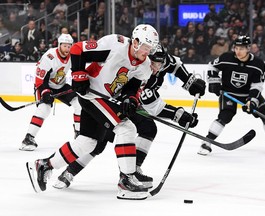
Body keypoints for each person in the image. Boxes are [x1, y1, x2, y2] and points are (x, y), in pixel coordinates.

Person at [26, 24, 160, 200]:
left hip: (104, 98)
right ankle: (126, 181)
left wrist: (130, 99)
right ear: (135, 42)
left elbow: (133, 88)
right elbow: (77, 49)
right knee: (126, 128)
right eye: (145, 47)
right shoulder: (115, 44)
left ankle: (45, 165)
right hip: (92, 95)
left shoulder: (145, 66)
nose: (147, 52)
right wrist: (78, 74)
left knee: (88, 142)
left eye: (150, 49)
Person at [52, 44, 206, 190]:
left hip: (128, 104)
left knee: (148, 128)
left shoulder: (161, 61)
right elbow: (153, 106)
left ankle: (133, 171)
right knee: (99, 142)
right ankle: (69, 172)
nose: (156, 68)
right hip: (113, 102)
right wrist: (178, 115)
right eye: (153, 62)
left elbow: (175, 64)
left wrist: (189, 81)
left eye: (159, 63)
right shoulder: (142, 70)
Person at [198, 35, 265, 156]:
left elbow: (257, 85)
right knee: (225, 115)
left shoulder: (258, 64)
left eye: (241, 48)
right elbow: (212, 66)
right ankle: (207, 142)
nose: (238, 51)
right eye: (236, 48)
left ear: (248, 48)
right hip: (228, 93)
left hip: (247, 94)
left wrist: (252, 101)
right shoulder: (226, 58)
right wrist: (214, 81)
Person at [20, 33, 81, 151]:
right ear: (59, 45)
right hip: (44, 85)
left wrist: (78, 84)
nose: (67, 49)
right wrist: (45, 92)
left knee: (78, 103)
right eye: (64, 46)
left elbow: (76, 71)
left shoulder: (72, 56)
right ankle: (28, 138)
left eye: (69, 46)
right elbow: (40, 79)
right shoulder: (49, 57)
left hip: (60, 85)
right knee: (44, 109)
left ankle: (79, 133)